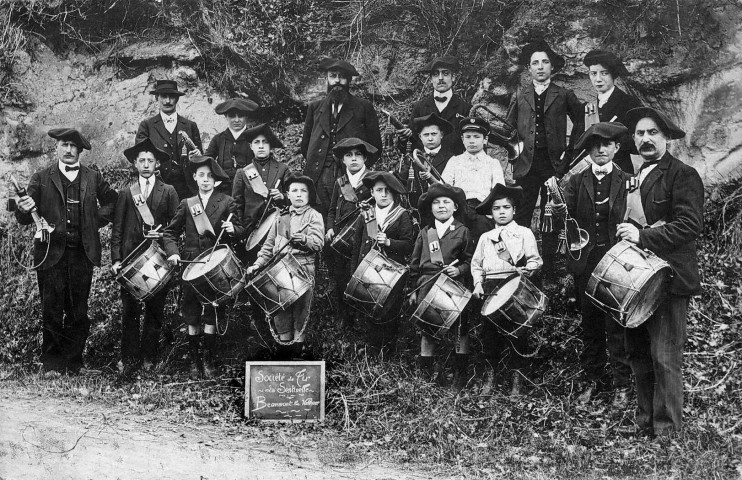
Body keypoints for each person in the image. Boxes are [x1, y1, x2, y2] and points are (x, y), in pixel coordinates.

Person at [617, 107, 703, 436]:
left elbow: (689, 226)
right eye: (639, 134)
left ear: (666, 138)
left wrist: (643, 235)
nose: (645, 139)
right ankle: (645, 424)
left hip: (669, 279)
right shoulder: (635, 177)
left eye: (653, 132)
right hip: (636, 281)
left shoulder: (682, 174)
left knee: (664, 357)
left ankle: (667, 434)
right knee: (638, 354)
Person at [15, 128, 118, 374]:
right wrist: (23, 206)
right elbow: (24, 216)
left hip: (82, 253)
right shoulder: (41, 177)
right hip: (50, 254)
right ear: (57, 148)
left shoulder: (93, 177)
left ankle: (74, 363)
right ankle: (51, 364)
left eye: (73, 146)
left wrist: (93, 219)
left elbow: (112, 202)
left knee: (78, 310)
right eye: (64, 145)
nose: (69, 150)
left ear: (80, 150)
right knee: (51, 308)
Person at [557, 122, 633, 406]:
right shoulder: (576, 181)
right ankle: (593, 381)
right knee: (589, 324)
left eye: (607, 144)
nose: (601, 149)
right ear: (588, 150)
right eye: (595, 145)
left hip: (618, 263)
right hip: (586, 264)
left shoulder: (627, 180)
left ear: (616, 148)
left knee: (616, 324)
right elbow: (567, 222)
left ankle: (622, 385)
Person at [163, 156, 244, 378]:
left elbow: (240, 229)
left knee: (212, 311)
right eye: (201, 175)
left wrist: (233, 229)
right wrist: (174, 253)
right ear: (194, 178)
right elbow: (169, 233)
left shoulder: (227, 202)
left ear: (216, 180)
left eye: (210, 176)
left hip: (215, 265)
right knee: (191, 312)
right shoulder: (187, 203)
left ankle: (208, 361)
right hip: (191, 266)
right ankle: (193, 361)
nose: (206, 180)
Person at [111, 138, 180, 376]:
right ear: (134, 163)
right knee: (129, 311)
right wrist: (116, 260)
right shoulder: (126, 192)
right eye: (142, 160)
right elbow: (117, 229)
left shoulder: (169, 191)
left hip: (158, 258)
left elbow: (175, 226)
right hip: (131, 259)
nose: (147, 164)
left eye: (151, 160)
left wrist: (165, 239)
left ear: (158, 163)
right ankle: (128, 358)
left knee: (154, 310)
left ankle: (149, 358)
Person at [506, 40, 584, 238]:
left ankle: (549, 265)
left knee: (550, 214)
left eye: (544, 62)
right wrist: (514, 155)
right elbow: (509, 130)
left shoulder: (564, 94)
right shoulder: (520, 95)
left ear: (552, 66)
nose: (540, 67)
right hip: (526, 165)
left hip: (554, 164)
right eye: (535, 63)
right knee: (522, 213)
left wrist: (570, 153)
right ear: (529, 68)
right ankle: (523, 261)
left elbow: (581, 121)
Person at [471, 184, 542, 396]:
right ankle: (490, 378)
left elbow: (535, 260)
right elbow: (477, 265)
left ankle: (517, 380)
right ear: (490, 213)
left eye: (506, 207)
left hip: (515, 288)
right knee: (489, 336)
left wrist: (528, 269)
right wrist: (477, 283)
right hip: (491, 289)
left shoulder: (524, 233)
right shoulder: (486, 237)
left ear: (514, 210)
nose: (501, 212)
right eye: (496, 208)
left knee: (517, 335)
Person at [245, 175, 325, 360]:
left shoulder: (314, 216)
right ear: (287, 194)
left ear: (309, 195)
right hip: (279, 269)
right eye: (294, 191)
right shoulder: (281, 216)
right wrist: (258, 264)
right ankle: (283, 358)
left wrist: (305, 240)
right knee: (280, 314)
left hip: (302, 268)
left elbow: (319, 243)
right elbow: (268, 245)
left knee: (300, 315)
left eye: (303, 191)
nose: (299, 194)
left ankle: (296, 356)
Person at [408, 183, 473, 390]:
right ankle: (427, 375)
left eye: (446, 202)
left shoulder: (463, 231)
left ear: (455, 207)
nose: (441, 206)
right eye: (436, 203)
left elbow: (471, 261)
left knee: (460, 329)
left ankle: (459, 374)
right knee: (427, 330)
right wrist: (413, 289)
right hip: (427, 284)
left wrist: (460, 270)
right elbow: (415, 263)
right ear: (431, 208)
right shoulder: (426, 232)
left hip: (454, 286)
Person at [300, 58, 382, 218]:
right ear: (327, 79)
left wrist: (357, 171)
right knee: (318, 218)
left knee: (346, 217)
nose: (337, 80)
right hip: (317, 175)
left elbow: (375, 147)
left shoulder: (363, 107)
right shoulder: (315, 107)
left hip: (349, 176)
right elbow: (305, 145)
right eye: (333, 75)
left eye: (342, 76)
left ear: (349, 80)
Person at [350, 171, 416, 353]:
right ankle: (372, 349)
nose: (384, 194)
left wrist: (389, 242)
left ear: (394, 193)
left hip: (391, 272)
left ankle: (387, 351)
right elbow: (356, 246)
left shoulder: (401, 215)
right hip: (368, 270)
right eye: (379, 190)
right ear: (372, 193)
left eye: (388, 190)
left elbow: (408, 244)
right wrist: (354, 272)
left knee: (389, 311)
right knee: (370, 310)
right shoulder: (365, 214)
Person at [325, 137, 377, 329]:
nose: (353, 159)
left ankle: (361, 318)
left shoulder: (373, 180)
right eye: (349, 155)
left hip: (363, 236)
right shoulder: (340, 182)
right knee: (340, 278)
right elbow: (332, 209)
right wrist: (330, 227)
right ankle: (343, 316)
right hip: (340, 238)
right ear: (343, 160)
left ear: (365, 159)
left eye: (358, 155)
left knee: (361, 276)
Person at [136, 79, 203, 200]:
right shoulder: (147, 126)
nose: (167, 101)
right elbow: (140, 157)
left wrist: (197, 156)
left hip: (187, 189)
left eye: (171, 97)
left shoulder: (190, 126)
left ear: (177, 99)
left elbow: (201, 158)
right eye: (163, 96)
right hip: (157, 187)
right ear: (157, 98)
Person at [440, 116, 505, 241]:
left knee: (483, 240)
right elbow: (444, 188)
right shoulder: (454, 161)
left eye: (476, 137)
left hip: (483, 211)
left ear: (485, 139)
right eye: (468, 137)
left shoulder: (492, 163)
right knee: (456, 241)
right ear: (462, 139)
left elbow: (498, 192)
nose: (472, 141)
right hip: (459, 210)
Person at [583, 50, 642, 174]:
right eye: (593, 73)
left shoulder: (630, 104)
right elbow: (575, 145)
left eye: (604, 73)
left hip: (620, 172)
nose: (597, 79)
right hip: (592, 173)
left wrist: (611, 137)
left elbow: (638, 143)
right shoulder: (588, 108)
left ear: (613, 75)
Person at [399, 56, 471, 155]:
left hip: (454, 166)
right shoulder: (420, 107)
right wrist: (403, 139)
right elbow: (410, 145)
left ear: (453, 77)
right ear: (431, 79)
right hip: (424, 165)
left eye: (445, 73)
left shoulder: (464, 108)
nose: (440, 78)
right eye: (436, 74)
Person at [205, 98, 261, 194]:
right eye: (232, 116)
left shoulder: (255, 139)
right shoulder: (218, 139)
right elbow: (207, 160)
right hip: (222, 191)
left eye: (240, 116)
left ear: (246, 116)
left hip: (248, 189)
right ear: (226, 116)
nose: (236, 120)